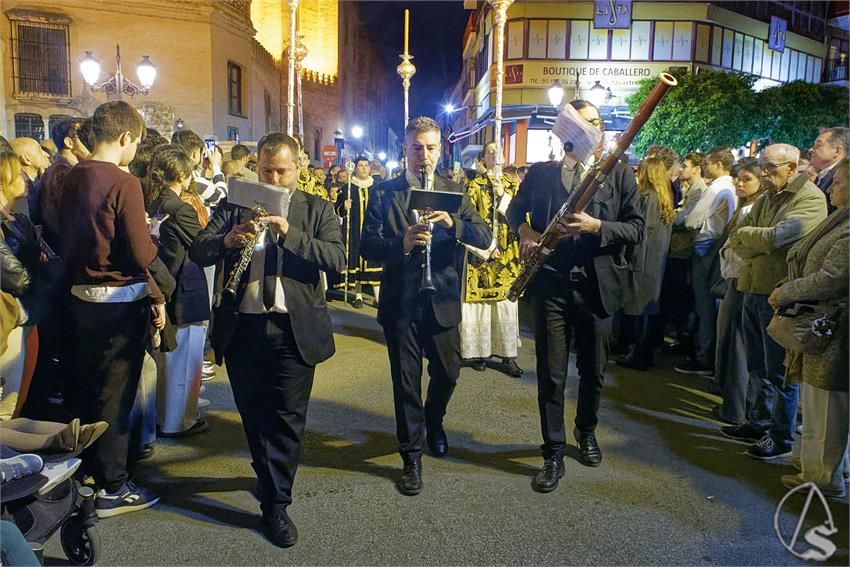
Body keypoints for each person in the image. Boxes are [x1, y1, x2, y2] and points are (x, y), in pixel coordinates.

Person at [189, 132, 344, 547]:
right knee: (254, 414)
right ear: (256, 167)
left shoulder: (317, 208)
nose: (273, 178)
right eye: (265, 169)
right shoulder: (235, 204)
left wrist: (290, 232)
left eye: (282, 170)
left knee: (287, 420)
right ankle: (268, 475)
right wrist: (227, 239)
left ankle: (276, 504)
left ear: (299, 168)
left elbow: (337, 260)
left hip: (293, 329)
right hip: (244, 328)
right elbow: (198, 250)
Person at [506, 100, 643, 493]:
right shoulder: (542, 173)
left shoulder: (617, 174)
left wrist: (597, 225)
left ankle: (586, 431)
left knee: (594, 370)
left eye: (598, 124)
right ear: (567, 131)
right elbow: (514, 213)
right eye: (585, 124)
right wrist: (526, 234)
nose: (594, 131)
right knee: (550, 374)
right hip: (551, 285)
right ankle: (553, 451)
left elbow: (636, 228)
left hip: (598, 288)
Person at [360, 116, 490, 496]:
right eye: (417, 147)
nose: (424, 155)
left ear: (440, 149)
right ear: (406, 149)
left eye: (431, 147)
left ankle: (435, 421)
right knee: (406, 384)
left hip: (443, 299)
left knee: (448, 373)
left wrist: (454, 224)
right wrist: (400, 243)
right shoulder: (385, 193)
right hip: (401, 301)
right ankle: (411, 455)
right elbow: (366, 245)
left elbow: (483, 234)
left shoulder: (456, 190)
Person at [59, 101, 171, 517]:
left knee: (89, 389)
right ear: (125, 138)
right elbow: (140, 252)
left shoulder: (71, 175)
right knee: (116, 398)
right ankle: (113, 486)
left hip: (78, 297)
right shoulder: (124, 183)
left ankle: (88, 471)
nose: (136, 152)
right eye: (137, 143)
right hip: (119, 301)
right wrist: (154, 238)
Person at [721, 144, 827, 460]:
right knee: (757, 363)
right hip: (753, 286)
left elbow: (777, 238)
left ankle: (780, 435)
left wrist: (754, 238)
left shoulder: (809, 198)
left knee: (780, 370)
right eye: (763, 167)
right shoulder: (769, 197)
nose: (764, 175)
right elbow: (740, 237)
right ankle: (758, 421)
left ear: (792, 167)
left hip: (779, 293)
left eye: (771, 168)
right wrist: (757, 239)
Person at [771, 157, 848, 498]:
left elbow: (833, 277)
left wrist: (788, 291)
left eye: (840, 182)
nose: (833, 188)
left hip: (834, 327)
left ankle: (823, 477)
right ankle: (816, 464)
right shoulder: (839, 218)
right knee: (817, 399)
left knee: (827, 401)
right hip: (824, 321)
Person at [146, 145, 210, 437]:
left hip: (165, 284)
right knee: (185, 358)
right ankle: (179, 421)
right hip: (185, 285)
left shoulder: (155, 202)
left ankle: (163, 417)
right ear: (182, 174)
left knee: (167, 358)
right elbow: (202, 245)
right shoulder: (181, 208)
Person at [459, 141, 522, 377]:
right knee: (479, 306)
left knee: (505, 305)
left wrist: (502, 197)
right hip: (481, 253)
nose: (495, 154)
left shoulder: (513, 186)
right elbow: (465, 221)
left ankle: (508, 355)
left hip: (507, 253)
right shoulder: (473, 187)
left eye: (499, 150)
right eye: (490, 151)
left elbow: (522, 216)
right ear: (483, 159)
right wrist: (485, 247)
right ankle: (478, 352)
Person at [674, 147, 736, 376]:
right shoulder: (731, 188)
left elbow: (692, 220)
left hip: (706, 249)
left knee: (704, 306)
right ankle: (706, 354)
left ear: (718, 164)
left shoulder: (717, 188)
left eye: (708, 163)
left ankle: (704, 357)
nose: (705, 167)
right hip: (716, 248)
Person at [712, 158, 763, 425]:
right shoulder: (745, 207)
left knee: (737, 347)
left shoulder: (751, 210)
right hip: (736, 278)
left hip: (741, 279)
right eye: (738, 178)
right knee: (733, 344)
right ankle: (734, 406)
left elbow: (742, 249)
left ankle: (735, 410)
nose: (739, 183)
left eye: (747, 179)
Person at [616, 157, 674, 370]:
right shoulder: (664, 198)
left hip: (642, 261)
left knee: (639, 310)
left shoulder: (648, 198)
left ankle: (637, 354)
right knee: (646, 310)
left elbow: (639, 233)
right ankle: (640, 352)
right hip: (655, 262)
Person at [337, 155, 382, 308]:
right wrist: (344, 207)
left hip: (373, 231)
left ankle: (378, 297)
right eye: (361, 165)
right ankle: (358, 296)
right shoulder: (347, 188)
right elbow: (337, 210)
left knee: (374, 261)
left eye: (366, 165)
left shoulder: (377, 187)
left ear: (370, 168)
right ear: (355, 168)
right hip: (354, 230)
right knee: (355, 260)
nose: (364, 168)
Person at [39, 117, 91, 249]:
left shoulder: (69, 169)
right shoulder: (63, 172)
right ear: (69, 142)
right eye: (84, 136)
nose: (91, 143)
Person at [9, 138, 50, 219]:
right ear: (26, 159)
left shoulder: (39, 179)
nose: (47, 154)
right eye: (40, 151)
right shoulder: (20, 190)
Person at [809, 127, 849, 209]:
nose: (811, 150)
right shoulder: (815, 176)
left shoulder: (844, 177)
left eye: (818, 145)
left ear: (837, 150)